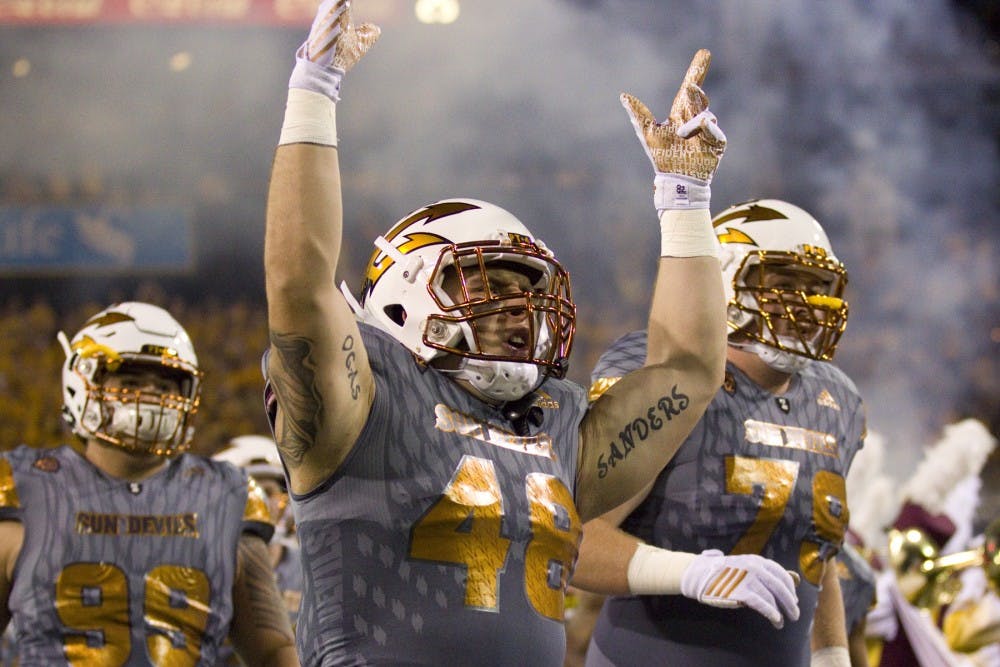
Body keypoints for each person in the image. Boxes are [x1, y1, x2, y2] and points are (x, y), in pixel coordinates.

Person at [261, 0, 730, 664]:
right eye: (489, 283)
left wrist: (684, 195)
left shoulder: (552, 421)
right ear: (403, 294)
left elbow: (689, 370)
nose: (518, 307)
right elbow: (298, 286)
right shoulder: (365, 399)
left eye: (528, 291)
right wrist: (315, 90)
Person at [571, 199, 865, 667]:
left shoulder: (838, 400)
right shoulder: (664, 372)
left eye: (817, 288)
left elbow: (816, 554)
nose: (805, 304)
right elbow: (571, 539)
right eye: (783, 284)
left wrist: (832, 656)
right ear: (725, 282)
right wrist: (691, 574)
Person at [0, 301, 298, 666]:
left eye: (165, 384)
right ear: (82, 383)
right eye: (130, 382)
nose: (152, 395)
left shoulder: (227, 496)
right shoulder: (26, 488)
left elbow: (273, 651)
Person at [214, 434, 302, 626]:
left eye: (268, 492)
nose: (260, 502)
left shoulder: (309, 570)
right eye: (251, 492)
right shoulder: (208, 568)